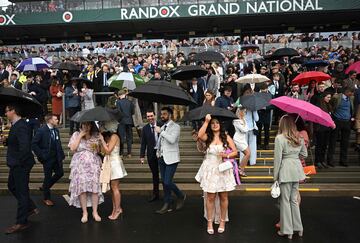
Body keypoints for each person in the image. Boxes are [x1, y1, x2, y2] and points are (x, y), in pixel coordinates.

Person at [195, 114, 238, 234]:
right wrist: (206, 121)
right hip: (210, 170)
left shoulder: (226, 137)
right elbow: (199, 135)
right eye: (212, 123)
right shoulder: (207, 136)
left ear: (220, 125)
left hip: (223, 169)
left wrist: (226, 155)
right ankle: (210, 221)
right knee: (210, 197)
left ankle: (222, 220)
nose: (214, 125)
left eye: (216, 123)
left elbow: (235, 152)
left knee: (223, 196)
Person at [1, 105, 38, 234]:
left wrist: (18, 163)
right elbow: (16, 142)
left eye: (7, 111)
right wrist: (6, 140)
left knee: (22, 191)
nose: (5, 113)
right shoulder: (16, 124)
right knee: (12, 186)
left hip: (20, 164)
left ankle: (21, 222)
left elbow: (25, 148)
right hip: (16, 163)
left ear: (13, 111)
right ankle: (30, 207)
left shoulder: (21, 126)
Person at [273, 115, 307, 240]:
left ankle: (287, 230)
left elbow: (278, 159)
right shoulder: (300, 137)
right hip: (297, 170)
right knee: (294, 201)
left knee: (285, 201)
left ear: (282, 124)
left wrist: (275, 177)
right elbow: (304, 154)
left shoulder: (279, 138)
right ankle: (299, 228)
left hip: (285, 171)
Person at [68, 122, 103, 223]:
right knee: (82, 189)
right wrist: (80, 136)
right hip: (80, 166)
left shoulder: (95, 135)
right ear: (81, 125)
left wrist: (97, 146)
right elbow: (73, 148)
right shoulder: (76, 134)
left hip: (93, 165)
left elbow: (99, 151)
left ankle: (95, 212)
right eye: (84, 124)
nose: (86, 127)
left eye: (88, 125)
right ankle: (85, 212)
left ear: (91, 126)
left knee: (94, 189)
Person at [155, 107, 186, 214]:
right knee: (164, 182)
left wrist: (161, 132)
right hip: (162, 157)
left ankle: (181, 195)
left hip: (172, 159)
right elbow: (160, 142)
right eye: (161, 114)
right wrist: (157, 151)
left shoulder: (176, 126)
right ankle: (167, 203)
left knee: (167, 181)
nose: (162, 116)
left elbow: (172, 140)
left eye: (164, 114)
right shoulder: (163, 126)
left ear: (170, 115)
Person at [31, 114, 64, 206]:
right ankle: (46, 198)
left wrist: (61, 155)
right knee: (48, 176)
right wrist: (41, 154)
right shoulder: (41, 130)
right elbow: (34, 144)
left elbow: (58, 144)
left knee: (60, 173)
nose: (57, 120)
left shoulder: (56, 130)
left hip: (56, 157)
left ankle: (45, 186)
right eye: (56, 119)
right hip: (47, 158)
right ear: (50, 120)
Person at [99, 120, 127, 220]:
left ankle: (118, 209)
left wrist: (102, 140)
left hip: (115, 164)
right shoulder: (109, 137)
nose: (102, 127)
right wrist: (101, 142)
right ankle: (115, 208)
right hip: (109, 163)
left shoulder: (114, 136)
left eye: (104, 125)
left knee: (115, 187)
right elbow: (103, 152)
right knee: (112, 188)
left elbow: (108, 150)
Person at [327, 87, 355, 167]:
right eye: (351, 92)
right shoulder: (336, 97)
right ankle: (330, 160)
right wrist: (332, 116)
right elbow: (330, 105)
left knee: (345, 142)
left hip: (347, 122)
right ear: (347, 92)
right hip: (337, 121)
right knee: (333, 141)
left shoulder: (351, 99)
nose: (352, 94)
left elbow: (351, 108)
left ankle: (343, 160)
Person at [140, 110, 162, 202]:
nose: (150, 118)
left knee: (165, 175)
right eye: (148, 116)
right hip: (151, 154)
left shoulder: (161, 125)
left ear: (155, 116)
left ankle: (168, 196)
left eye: (151, 116)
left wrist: (160, 131)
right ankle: (155, 194)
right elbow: (143, 143)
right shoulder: (145, 128)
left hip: (162, 153)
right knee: (155, 175)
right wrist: (142, 156)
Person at [314, 92, 334, 168]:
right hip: (320, 128)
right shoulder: (319, 106)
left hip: (327, 128)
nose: (329, 99)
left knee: (325, 145)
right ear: (323, 97)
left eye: (330, 97)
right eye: (328, 97)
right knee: (319, 145)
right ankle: (317, 161)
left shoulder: (328, 105)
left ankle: (322, 160)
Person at [116, 89, 135, 157]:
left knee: (121, 137)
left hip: (122, 121)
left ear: (120, 95)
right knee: (129, 137)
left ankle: (121, 153)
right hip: (129, 121)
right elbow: (133, 112)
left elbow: (118, 112)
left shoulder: (118, 102)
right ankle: (129, 152)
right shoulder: (130, 102)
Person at [233, 107, 250, 177]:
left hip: (243, 139)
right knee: (248, 153)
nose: (244, 113)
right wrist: (245, 126)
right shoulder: (236, 121)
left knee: (248, 154)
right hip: (238, 139)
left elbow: (247, 129)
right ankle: (240, 169)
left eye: (245, 112)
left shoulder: (244, 120)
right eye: (243, 111)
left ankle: (241, 169)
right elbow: (244, 130)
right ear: (239, 112)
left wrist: (245, 125)